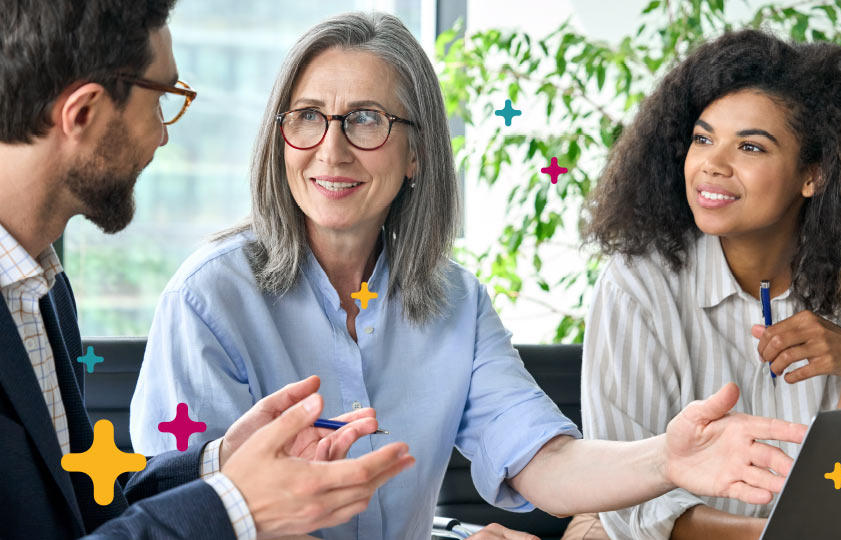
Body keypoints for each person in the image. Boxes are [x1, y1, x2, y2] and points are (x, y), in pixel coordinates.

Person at [129, 13, 807, 540]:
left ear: (417, 153)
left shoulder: (455, 302)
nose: (330, 148)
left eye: (365, 119)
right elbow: (185, 515)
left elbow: (543, 463)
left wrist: (668, 460)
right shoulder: (209, 297)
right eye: (308, 117)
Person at [0, 2, 417, 539]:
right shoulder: (204, 289)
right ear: (83, 114)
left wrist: (221, 463)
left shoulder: (41, 292)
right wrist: (236, 507)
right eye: (160, 102)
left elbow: (88, 520)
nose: (163, 136)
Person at [566, 29, 841, 540]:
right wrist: (771, 535)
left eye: (750, 146)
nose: (711, 165)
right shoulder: (639, 287)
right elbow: (623, 502)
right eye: (703, 138)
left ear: (812, 175)